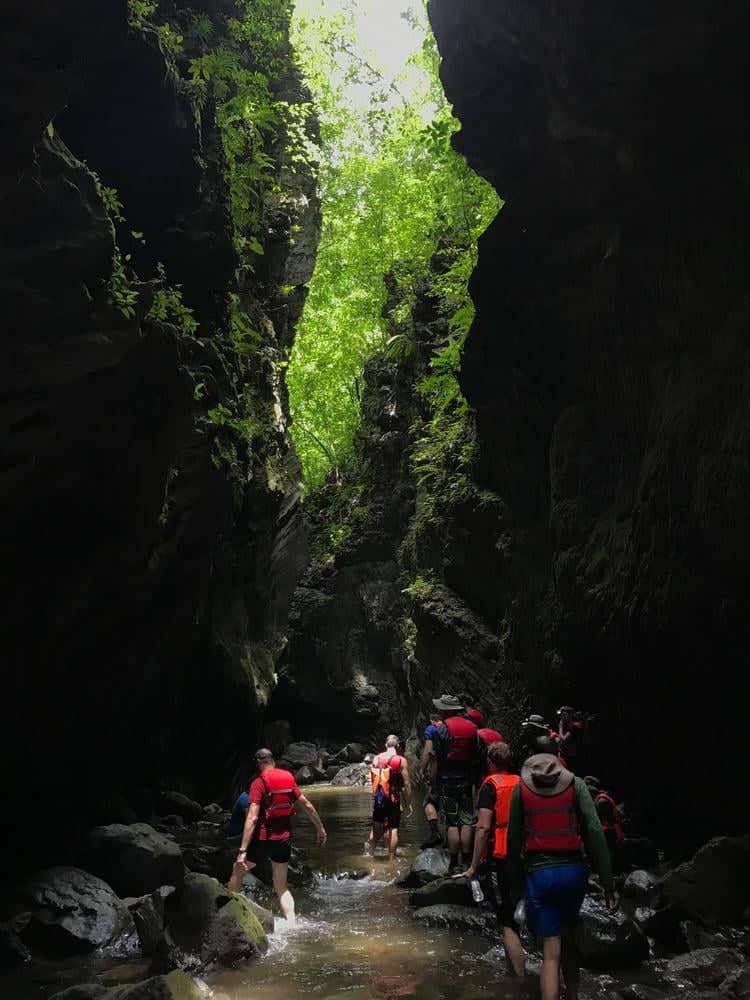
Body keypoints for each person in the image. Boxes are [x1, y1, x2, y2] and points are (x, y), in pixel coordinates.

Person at [507, 754, 618, 1000]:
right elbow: (594, 831)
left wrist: (514, 883)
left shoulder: (520, 790)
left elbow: (513, 841)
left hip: (540, 875)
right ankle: (573, 995)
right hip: (574, 874)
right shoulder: (576, 785)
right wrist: (608, 883)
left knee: (551, 951)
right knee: (568, 936)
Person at [454, 742, 525, 977]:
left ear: (490, 762)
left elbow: (484, 828)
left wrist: (473, 865)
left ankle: (518, 981)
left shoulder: (490, 786)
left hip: (501, 855)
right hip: (526, 855)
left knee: (507, 922)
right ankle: (516, 971)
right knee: (519, 909)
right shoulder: (523, 782)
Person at [236, 748, 327, 923]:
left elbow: (253, 817)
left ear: (259, 762)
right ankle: (292, 924)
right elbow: (306, 805)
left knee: (237, 872)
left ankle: (233, 911)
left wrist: (242, 850)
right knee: (281, 886)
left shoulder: (259, 782)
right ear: (272, 760)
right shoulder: (288, 778)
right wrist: (320, 828)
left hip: (263, 840)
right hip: (283, 840)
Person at [431, 693, 482, 873]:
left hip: (447, 781)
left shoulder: (441, 729)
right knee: (466, 820)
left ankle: (453, 863)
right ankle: (467, 861)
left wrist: (434, 784)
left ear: (445, 711)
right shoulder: (472, 728)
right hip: (467, 781)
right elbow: (477, 756)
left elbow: (436, 759)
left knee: (452, 822)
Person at [369, 734, 413, 859]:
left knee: (376, 827)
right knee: (393, 828)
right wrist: (408, 803)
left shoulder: (376, 759)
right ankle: (391, 858)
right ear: (398, 746)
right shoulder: (400, 760)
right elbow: (407, 783)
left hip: (380, 799)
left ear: (385, 745)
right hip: (394, 799)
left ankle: (370, 854)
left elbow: (374, 780)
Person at [584, 776, 624, 863]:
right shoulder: (599, 799)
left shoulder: (601, 802)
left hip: (611, 835)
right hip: (609, 834)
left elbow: (600, 823)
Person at [419, 712, 443, 848]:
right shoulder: (449, 729)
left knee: (428, 801)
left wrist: (422, 768)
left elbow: (429, 750)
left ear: (432, 720)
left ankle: (435, 834)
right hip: (458, 773)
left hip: (438, 772)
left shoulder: (431, 729)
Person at [226, 790, 252, 892]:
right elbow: (251, 825)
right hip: (236, 840)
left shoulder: (247, 797)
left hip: (238, 838)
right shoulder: (246, 800)